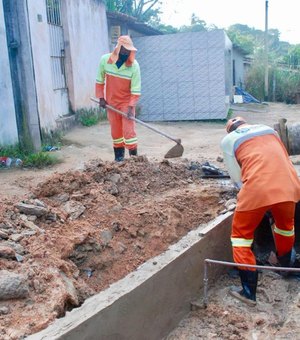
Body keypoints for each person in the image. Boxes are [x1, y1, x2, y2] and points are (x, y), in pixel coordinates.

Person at [221, 116, 300, 306]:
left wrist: (255, 201)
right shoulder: (268, 130)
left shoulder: (229, 140)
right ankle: (286, 266)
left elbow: (237, 177)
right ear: (246, 123)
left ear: (230, 130)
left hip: (257, 189)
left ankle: (248, 292)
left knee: (240, 236)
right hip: (289, 185)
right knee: (285, 227)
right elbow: (281, 159)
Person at [95, 35, 141, 162]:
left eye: (128, 50)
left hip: (126, 103)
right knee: (116, 131)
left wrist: (131, 107)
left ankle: (135, 161)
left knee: (129, 132)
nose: (126, 52)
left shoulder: (134, 66)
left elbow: (136, 89)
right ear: (118, 48)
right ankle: (119, 159)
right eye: (124, 49)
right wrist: (101, 98)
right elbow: (99, 80)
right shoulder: (105, 60)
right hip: (111, 102)